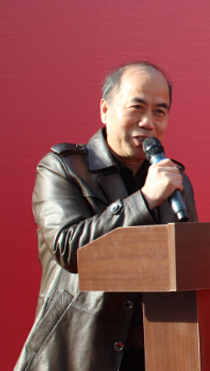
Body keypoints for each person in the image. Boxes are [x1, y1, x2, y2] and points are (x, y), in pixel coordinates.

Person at [14, 62, 198, 371]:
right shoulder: (63, 168)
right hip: (80, 352)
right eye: (136, 108)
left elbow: (192, 265)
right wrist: (144, 200)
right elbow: (69, 249)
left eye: (159, 112)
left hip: (160, 353)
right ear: (105, 109)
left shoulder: (174, 181)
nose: (148, 122)